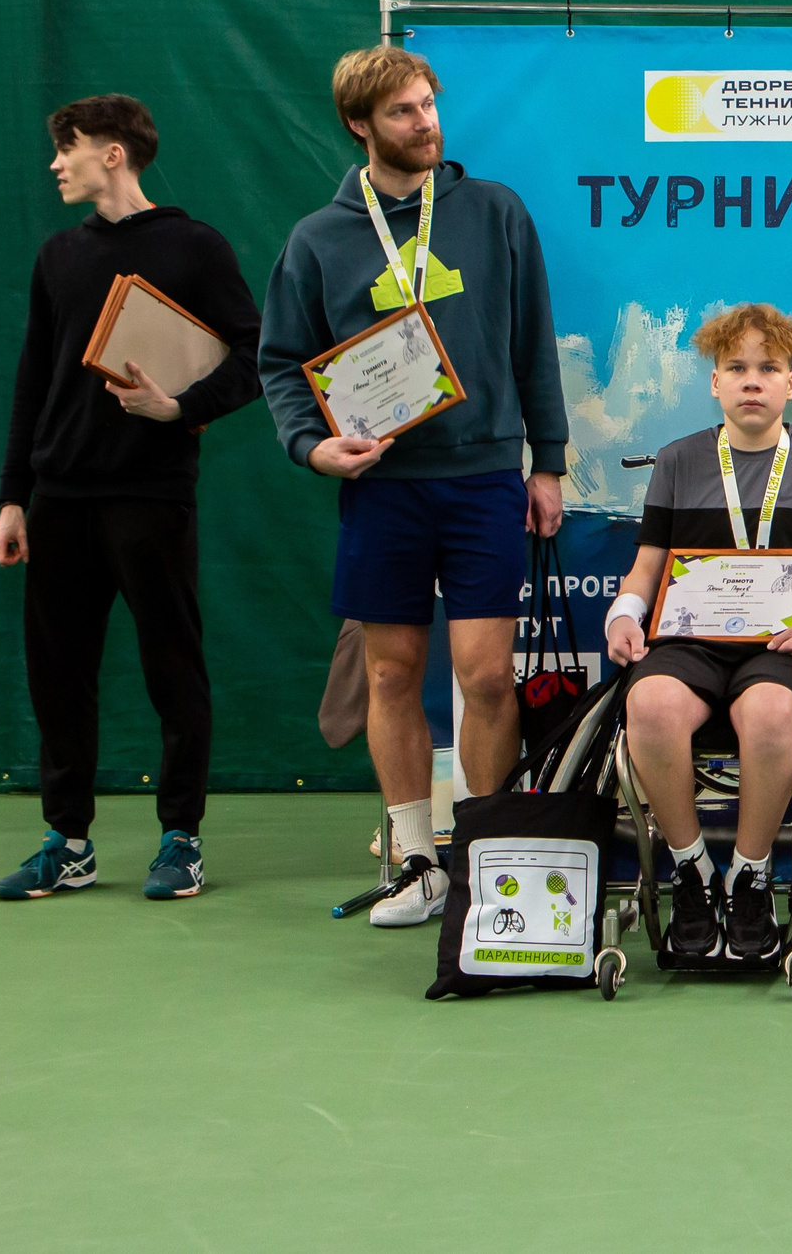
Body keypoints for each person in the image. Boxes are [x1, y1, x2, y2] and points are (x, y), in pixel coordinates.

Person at [258, 46, 568, 928]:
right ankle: (415, 863)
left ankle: (484, 854)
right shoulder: (318, 238)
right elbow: (282, 364)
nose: (426, 123)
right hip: (384, 488)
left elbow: (533, 341)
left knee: (487, 678)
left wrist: (545, 461)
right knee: (392, 674)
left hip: (481, 480)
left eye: (429, 105)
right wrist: (312, 448)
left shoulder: (495, 212)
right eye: (403, 112)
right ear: (360, 125)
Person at [0, 95, 264, 903]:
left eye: (65, 148)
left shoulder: (195, 247)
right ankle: (67, 844)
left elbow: (251, 357)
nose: (54, 163)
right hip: (60, 501)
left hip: (153, 496)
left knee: (171, 665)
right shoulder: (56, 256)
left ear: (113, 153)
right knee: (57, 672)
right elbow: (33, 379)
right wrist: (14, 498)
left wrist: (180, 409)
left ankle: (181, 839)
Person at [601, 306, 792, 970]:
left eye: (769, 369)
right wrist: (623, 615)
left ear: (789, 386)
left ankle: (751, 878)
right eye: (737, 369)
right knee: (651, 706)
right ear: (715, 384)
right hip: (690, 642)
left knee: (772, 710)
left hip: (784, 647)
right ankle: (692, 873)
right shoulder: (678, 461)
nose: (753, 382)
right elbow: (647, 565)